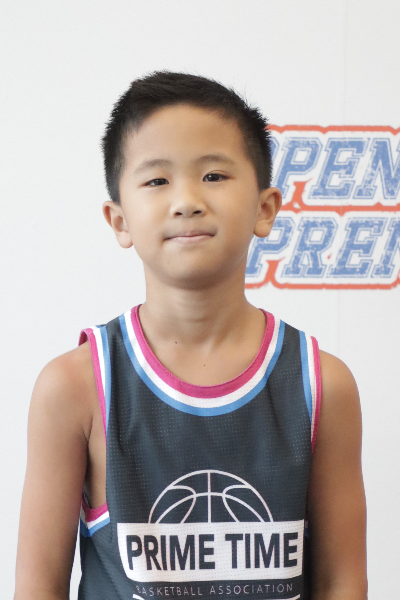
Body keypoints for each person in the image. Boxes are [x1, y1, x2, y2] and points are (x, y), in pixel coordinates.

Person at [14, 70, 367, 600]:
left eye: (214, 175)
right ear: (119, 220)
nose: (186, 200)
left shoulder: (322, 385)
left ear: (265, 209)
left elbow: (343, 581)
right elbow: (38, 586)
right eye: (157, 181)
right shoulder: (75, 386)